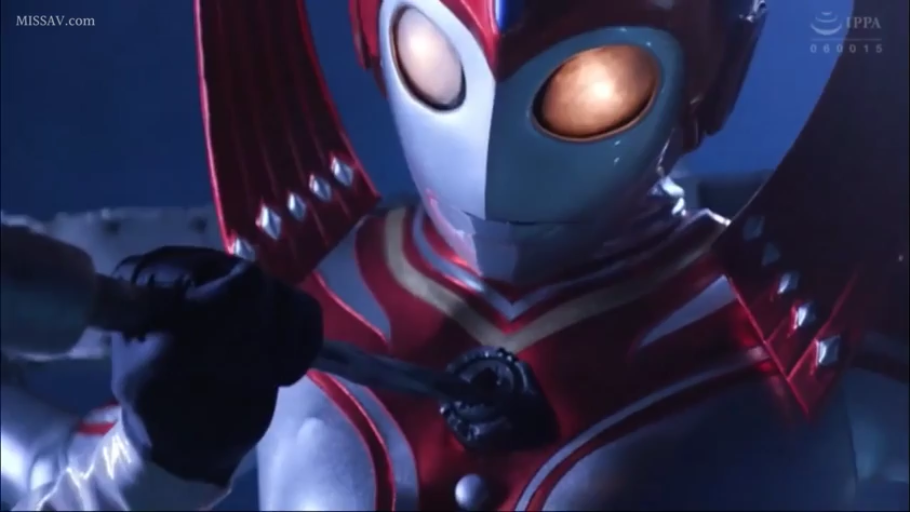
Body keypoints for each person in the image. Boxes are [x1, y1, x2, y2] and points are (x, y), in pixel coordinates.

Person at [2, 0, 907, 510]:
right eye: (439, 45)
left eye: (589, 76)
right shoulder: (297, 287)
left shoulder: (810, 337)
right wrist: (151, 461)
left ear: (718, 63)